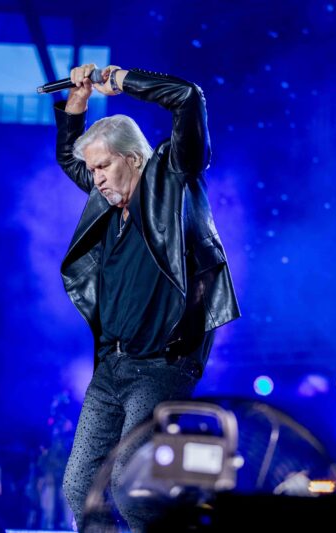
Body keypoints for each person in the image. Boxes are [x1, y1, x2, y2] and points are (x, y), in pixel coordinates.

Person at [55, 63, 240, 531]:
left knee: (130, 487)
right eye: (92, 169)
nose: (95, 178)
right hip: (111, 367)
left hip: (162, 364)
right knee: (79, 488)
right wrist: (76, 105)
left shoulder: (171, 180)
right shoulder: (105, 202)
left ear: (133, 159)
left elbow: (188, 96)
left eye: (103, 166)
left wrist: (120, 80)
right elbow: (70, 161)